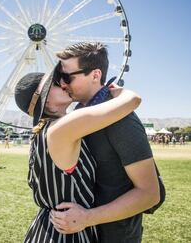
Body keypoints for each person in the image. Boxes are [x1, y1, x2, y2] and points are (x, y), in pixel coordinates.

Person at [14, 66, 144, 243]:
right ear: (45, 102)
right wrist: (111, 90)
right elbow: (132, 100)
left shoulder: (43, 132)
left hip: (49, 228)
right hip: (67, 232)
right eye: (55, 83)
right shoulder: (63, 128)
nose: (63, 83)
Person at [49, 42, 160, 242]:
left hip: (115, 235)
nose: (62, 84)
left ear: (95, 75)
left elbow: (150, 194)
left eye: (66, 77)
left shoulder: (122, 119)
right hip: (85, 232)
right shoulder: (79, 116)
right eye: (58, 77)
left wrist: (87, 218)